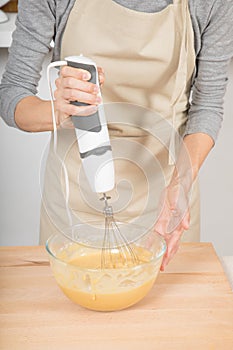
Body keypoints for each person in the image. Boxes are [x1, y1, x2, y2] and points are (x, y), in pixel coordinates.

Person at [0, 0, 233, 271]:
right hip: (72, 202)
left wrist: (179, 187)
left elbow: (207, 107)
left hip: (166, 202)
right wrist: (59, 111)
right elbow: (12, 94)